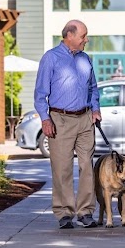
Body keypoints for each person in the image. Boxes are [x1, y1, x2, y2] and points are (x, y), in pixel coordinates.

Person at [34, 19, 102, 229]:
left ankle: (85, 212)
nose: (86, 40)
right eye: (83, 36)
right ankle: (64, 213)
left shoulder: (85, 59)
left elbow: (93, 87)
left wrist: (96, 108)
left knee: (87, 167)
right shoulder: (51, 58)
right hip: (60, 120)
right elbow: (40, 94)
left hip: (85, 119)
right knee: (62, 168)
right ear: (70, 36)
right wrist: (45, 119)